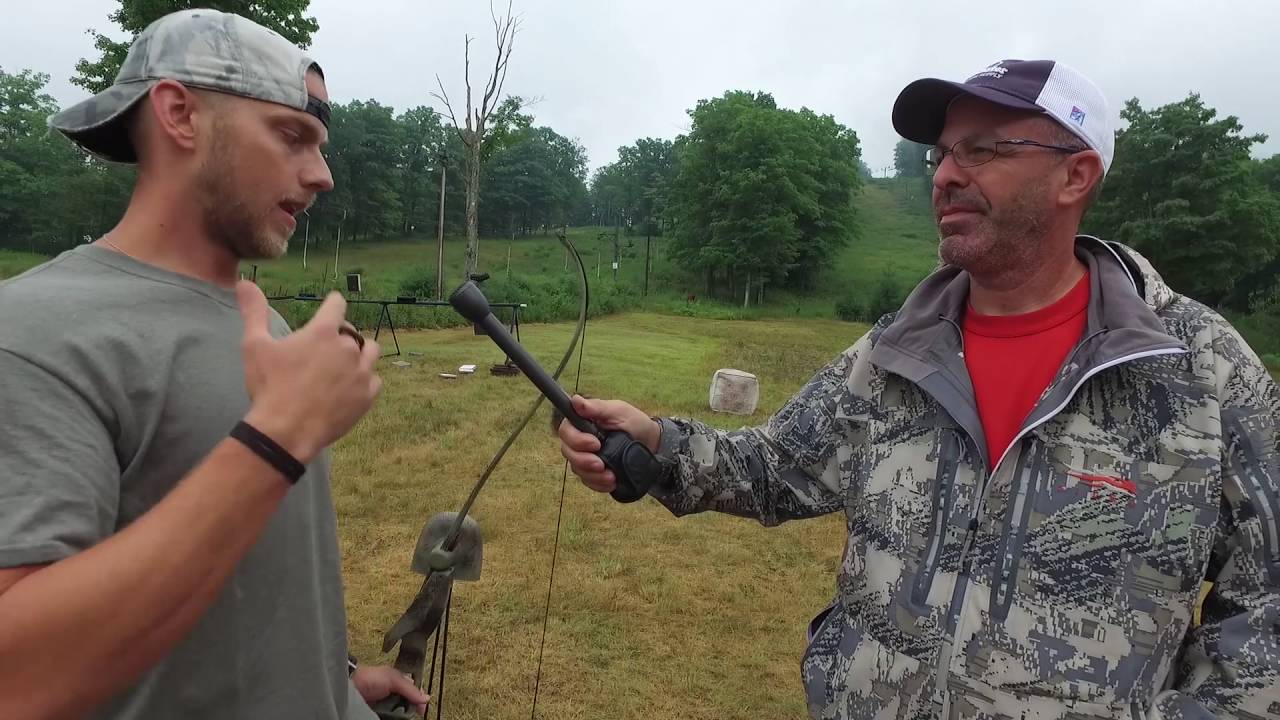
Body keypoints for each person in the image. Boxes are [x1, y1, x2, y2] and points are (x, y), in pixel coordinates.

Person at [559, 59, 1280, 719]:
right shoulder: (898, 348)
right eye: (943, 154)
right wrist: (660, 444)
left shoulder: (1197, 369)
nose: (944, 175)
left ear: (1076, 175)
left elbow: (1268, 592)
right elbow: (778, 467)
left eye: (984, 150)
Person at [0, 10, 428, 719]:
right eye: (292, 135)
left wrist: (331, 680)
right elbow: (18, 678)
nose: (321, 175)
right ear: (180, 115)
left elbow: (239, 578)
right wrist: (279, 438)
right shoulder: (35, 334)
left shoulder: (264, 324)